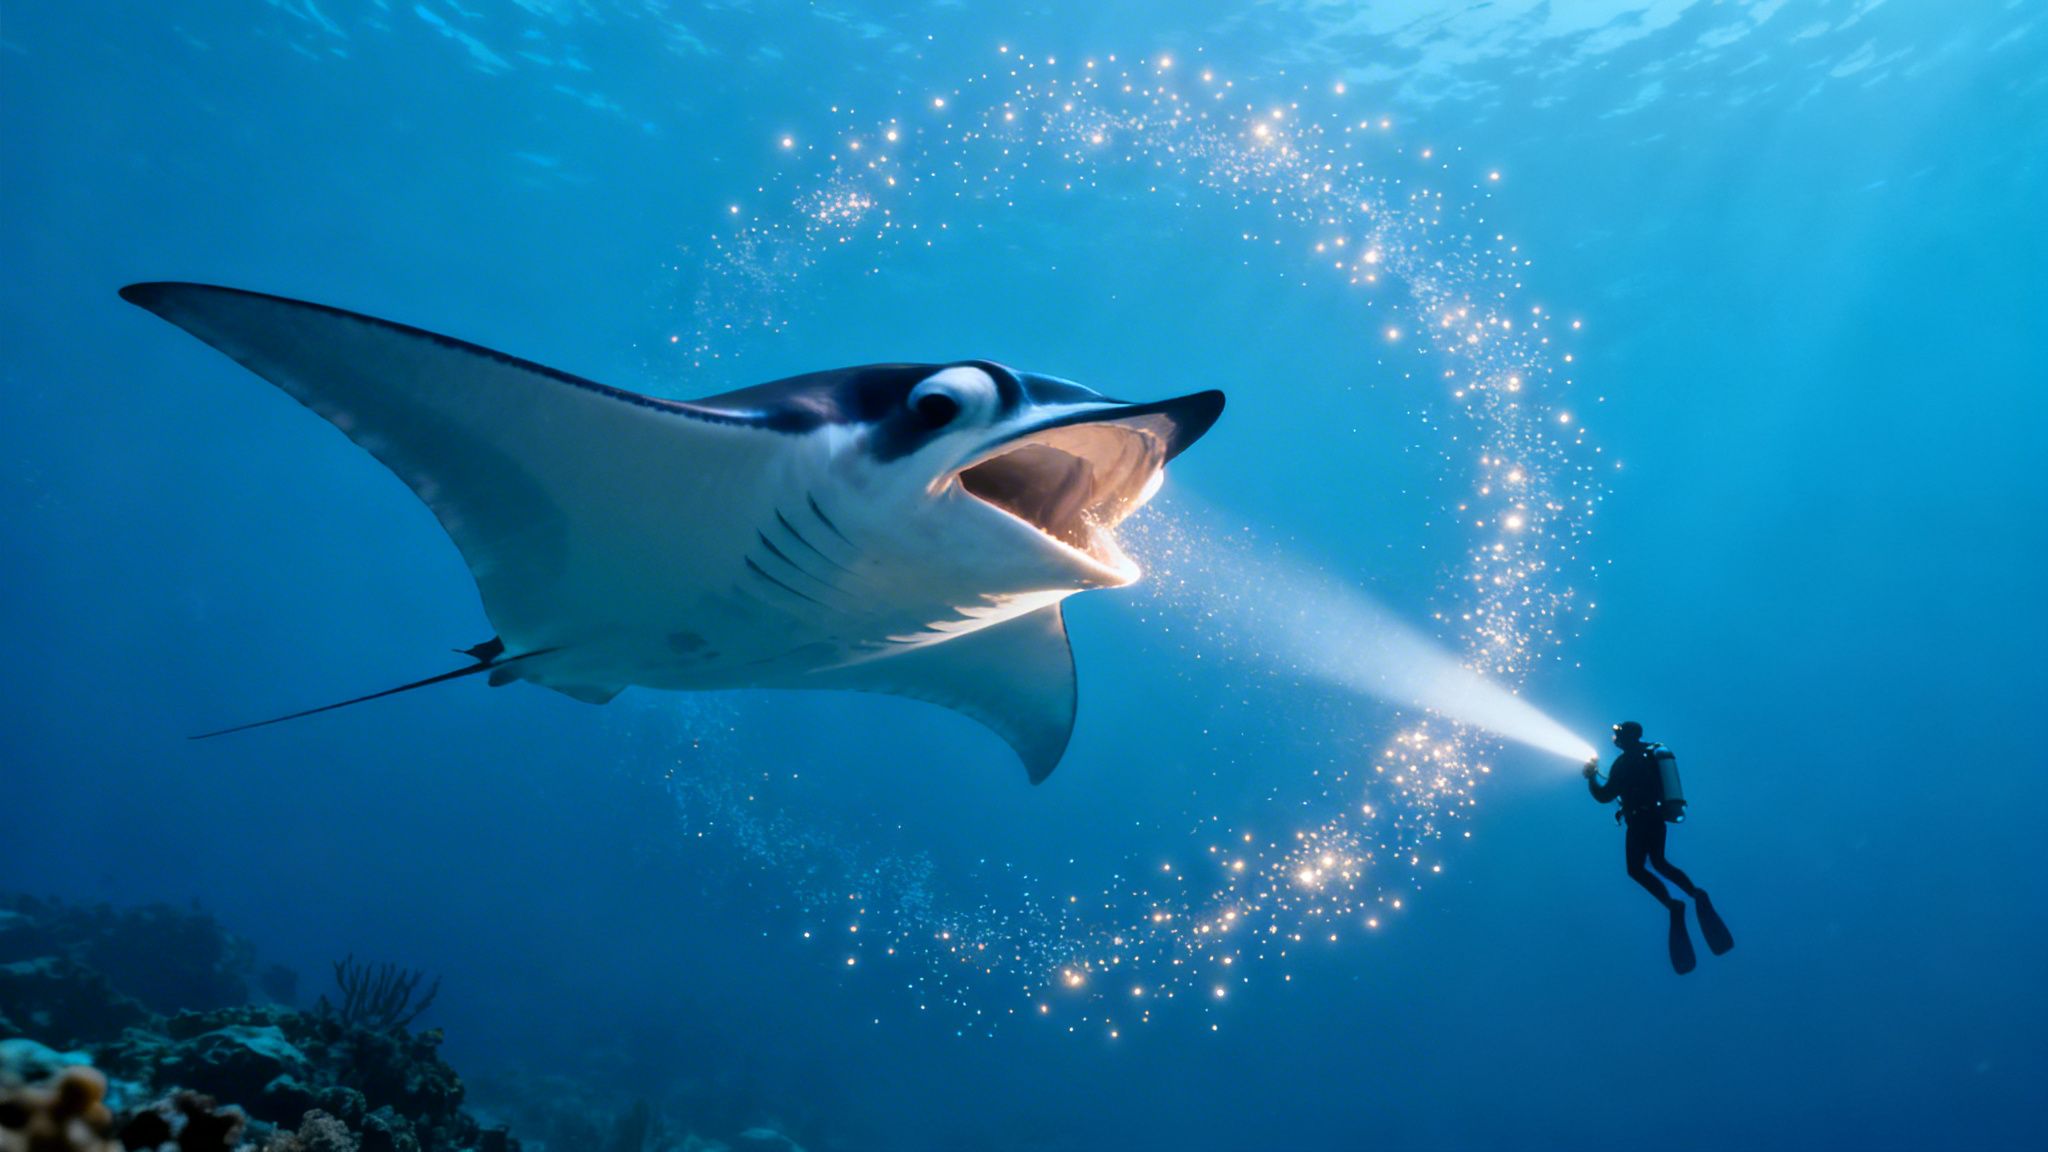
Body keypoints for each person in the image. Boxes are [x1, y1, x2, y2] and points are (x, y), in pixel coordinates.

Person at [1583, 721, 1731, 972]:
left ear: (1626, 737)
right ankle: (1694, 892)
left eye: (1617, 735)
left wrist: (1590, 778)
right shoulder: (1651, 754)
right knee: (1660, 861)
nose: (1614, 739)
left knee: (1636, 869)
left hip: (1639, 820)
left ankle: (1673, 904)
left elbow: (1604, 796)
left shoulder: (1625, 762)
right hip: (1657, 818)